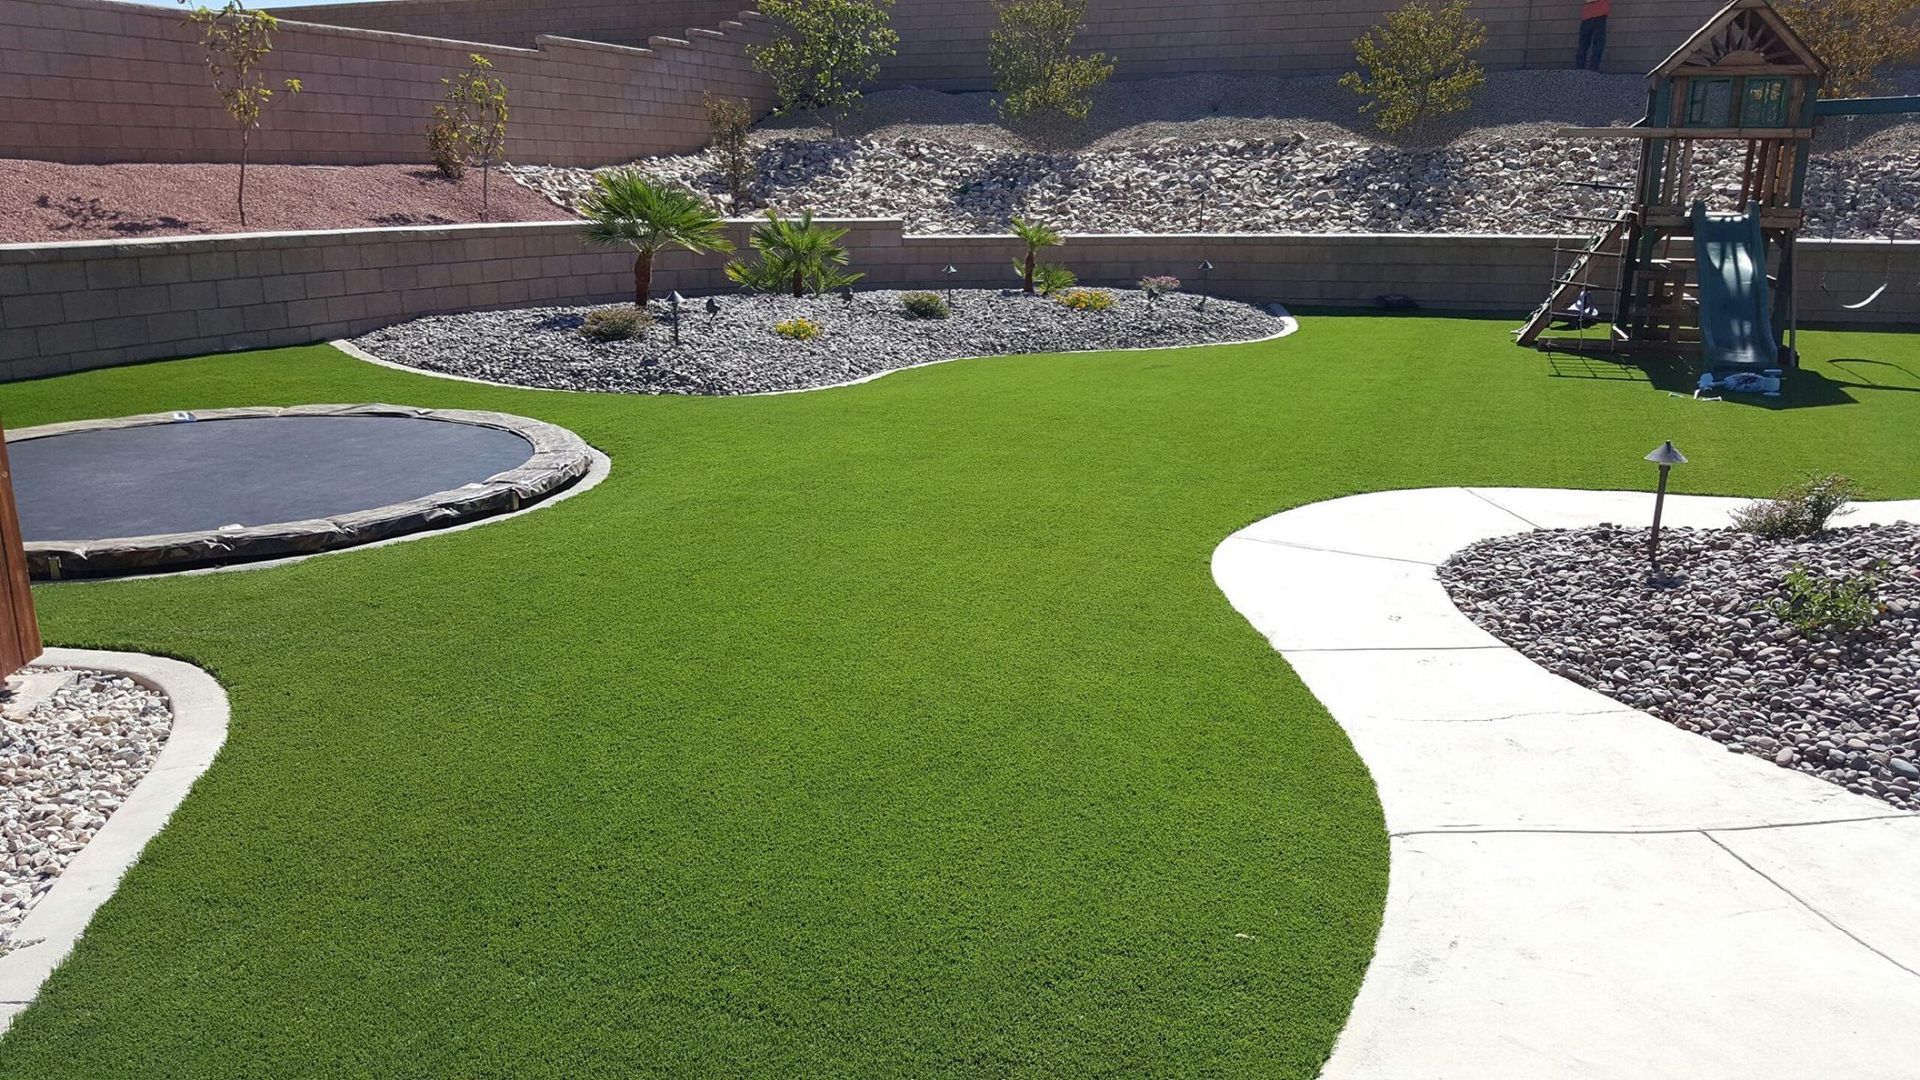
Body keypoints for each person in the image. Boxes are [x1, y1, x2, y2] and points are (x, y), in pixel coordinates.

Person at [1575, 0, 1610, 72]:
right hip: (1592, 16)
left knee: (1594, 43)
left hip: (1595, 16)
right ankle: (1582, 69)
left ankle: (1590, 69)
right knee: (1588, 43)